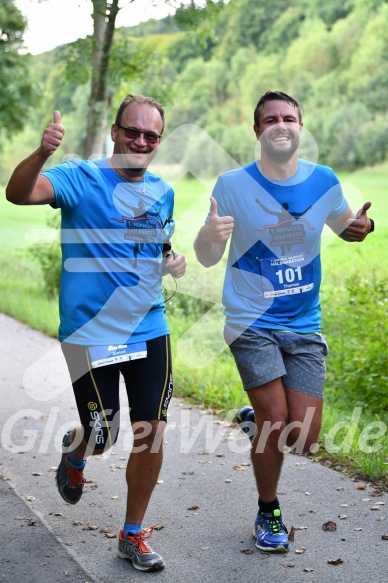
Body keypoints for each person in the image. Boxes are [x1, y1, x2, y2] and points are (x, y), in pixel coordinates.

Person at [6, 94, 186, 571]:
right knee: (103, 433)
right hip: (90, 333)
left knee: (152, 432)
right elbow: (19, 194)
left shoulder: (163, 191)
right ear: (115, 130)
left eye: (151, 135)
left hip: (149, 326)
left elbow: (155, 244)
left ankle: (132, 534)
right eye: (133, 130)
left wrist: (173, 261)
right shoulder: (78, 177)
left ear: (159, 141)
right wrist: (42, 152)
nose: (141, 141)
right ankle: (78, 450)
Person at [194, 90, 373, 553]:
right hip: (250, 320)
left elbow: (346, 227)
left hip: (304, 323)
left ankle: (256, 421)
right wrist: (209, 236)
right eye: (270, 118)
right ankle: (268, 510)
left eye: (289, 117)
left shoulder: (324, 180)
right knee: (278, 424)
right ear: (258, 131)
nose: (280, 124)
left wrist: (360, 229)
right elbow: (207, 256)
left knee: (304, 440)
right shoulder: (232, 185)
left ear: (300, 126)